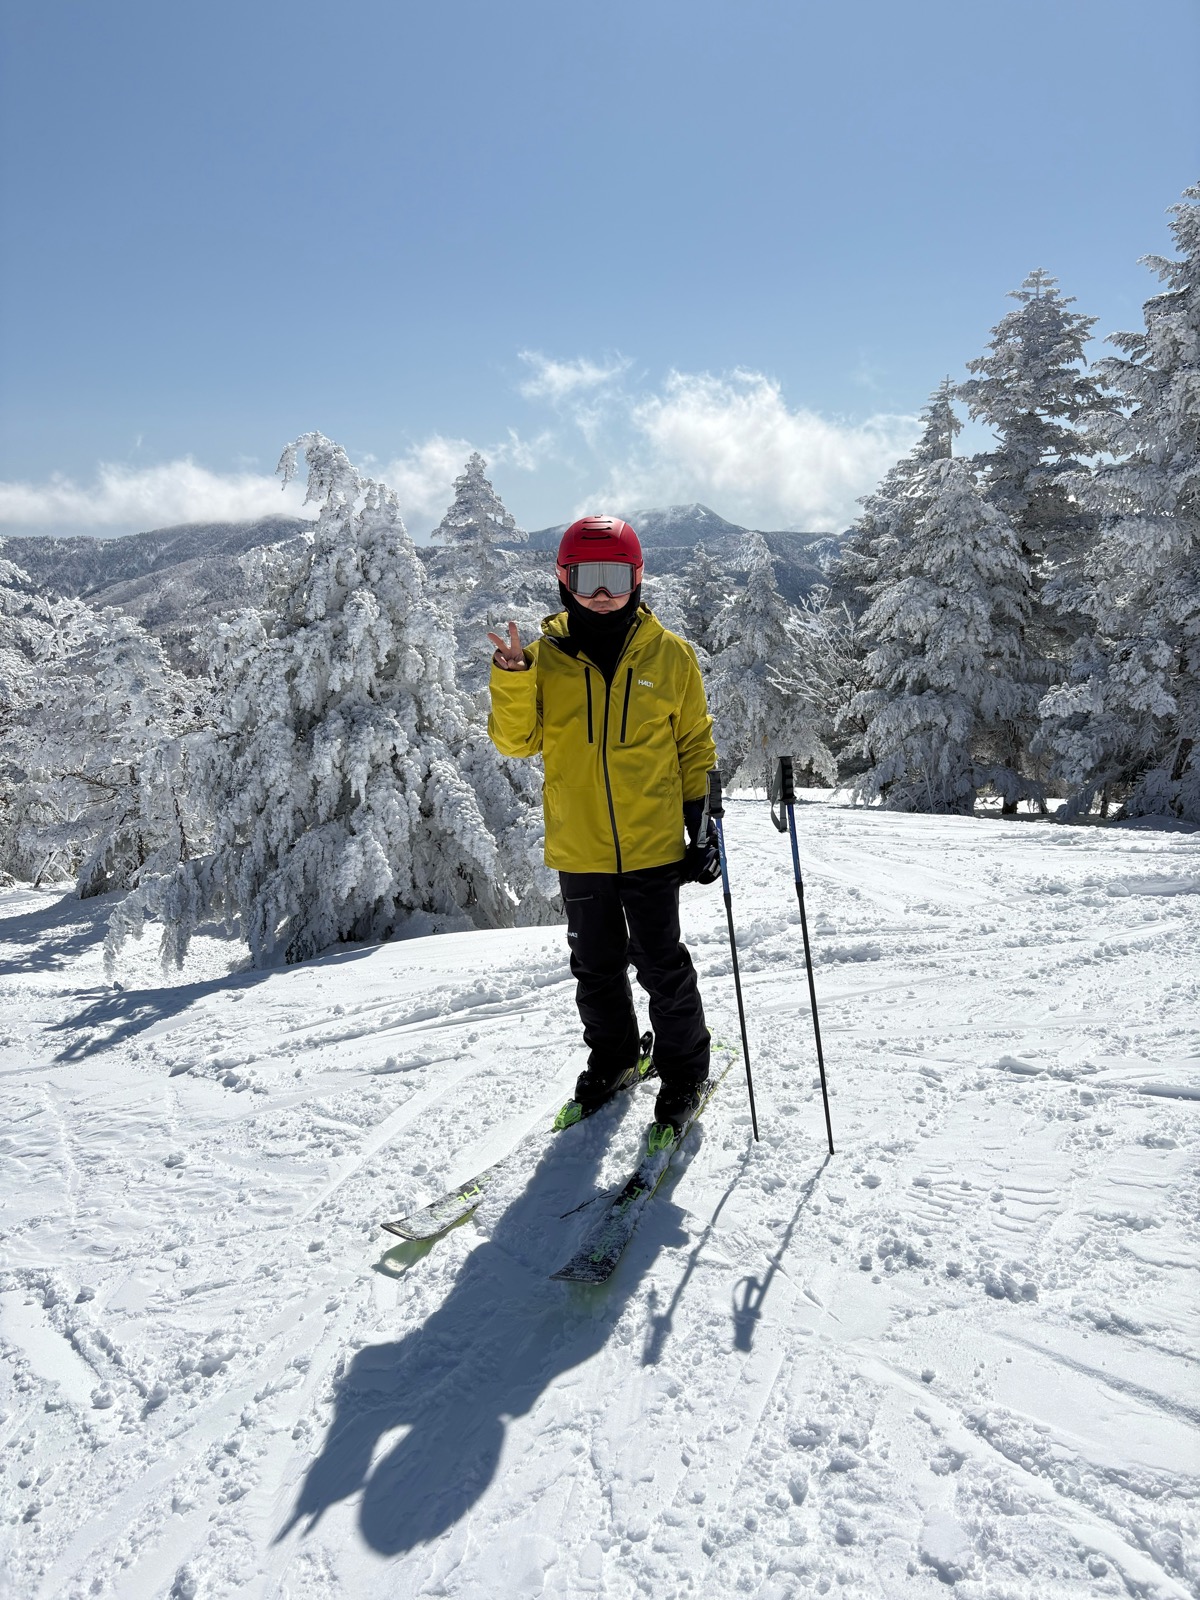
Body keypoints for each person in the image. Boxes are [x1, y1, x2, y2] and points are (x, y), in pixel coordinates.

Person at [487, 515, 720, 1152]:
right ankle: (616, 1059)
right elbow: (515, 742)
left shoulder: (670, 656)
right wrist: (510, 678)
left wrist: (703, 825)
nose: (601, 592)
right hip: (582, 845)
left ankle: (683, 1075)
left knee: (660, 966)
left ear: (636, 578)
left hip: (650, 846)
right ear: (564, 580)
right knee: (595, 968)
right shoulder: (544, 660)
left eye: (615, 577)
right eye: (587, 578)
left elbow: (694, 745)